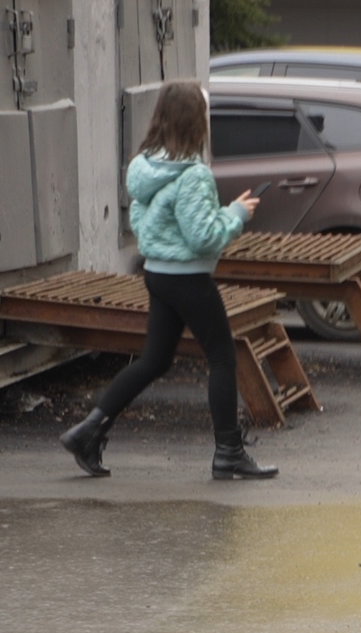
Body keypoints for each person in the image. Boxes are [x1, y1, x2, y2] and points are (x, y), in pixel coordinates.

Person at [58, 80, 277, 481]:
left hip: (158, 273)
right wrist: (237, 215)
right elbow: (203, 237)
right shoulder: (193, 175)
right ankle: (229, 452)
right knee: (224, 358)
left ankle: (89, 430)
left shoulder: (146, 167)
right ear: (197, 121)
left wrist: (219, 214)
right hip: (189, 280)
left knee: (155, 361)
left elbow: (143, 221)